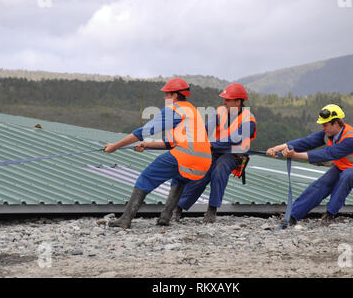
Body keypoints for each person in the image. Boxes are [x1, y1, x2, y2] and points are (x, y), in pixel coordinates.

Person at [104, 78, 212, 228]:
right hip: (204, 162)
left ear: (174, 95)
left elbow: (142, 132)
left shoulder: (173, 109)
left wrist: (115, 146)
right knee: (179, 178)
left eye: (167, 94)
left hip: (186, 155)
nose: (164, 97)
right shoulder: (192, 111)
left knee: (146, 177)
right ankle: (165, 217)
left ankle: (125, 219)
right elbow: (170, 143)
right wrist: (147, 145)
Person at [266, 104, 353, 227]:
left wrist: (295, 155)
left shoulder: (351, 139)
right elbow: (305, 142)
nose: (323, 128)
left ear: (336, 123)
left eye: (325, 125)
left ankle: (329, 215)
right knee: (320, 185)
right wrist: (277, 148)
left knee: (347, 175)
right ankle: (292, 216)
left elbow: (327, 154)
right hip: (344, 168)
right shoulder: (328, 134)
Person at [175, 83, 257, 223]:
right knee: (200, 173)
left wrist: (212, 144)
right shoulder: (220, 112)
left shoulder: (249, 120)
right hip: (215, 150)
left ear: (238, 102)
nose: (224, 102)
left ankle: (212, 210)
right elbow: (206, 129)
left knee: (219, 170)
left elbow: (235, 139)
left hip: (234, 154)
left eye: (227, 99)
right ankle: (177, 208)